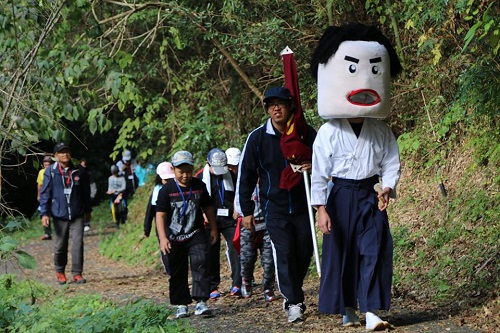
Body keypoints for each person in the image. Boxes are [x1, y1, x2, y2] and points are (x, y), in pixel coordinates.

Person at [309, 23, 403, 331]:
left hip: (369, 193)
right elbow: (320, 172)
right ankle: (347, 308)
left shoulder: (381, 130)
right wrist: (321, 208)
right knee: (342, 252)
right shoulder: (329, 131)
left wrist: (387, 186)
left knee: (375, 249)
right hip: (340, 196)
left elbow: (391, 160)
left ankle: (373, 311)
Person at [235, 86, 317, 323]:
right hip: (275, 207)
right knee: (285, 252)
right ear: (267, 109)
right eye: (271, 105)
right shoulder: (258, 138)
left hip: (303, 205)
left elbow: (325, 159)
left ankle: (293, 290)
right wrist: (246, 211)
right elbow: (246, 175)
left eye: (280, 103)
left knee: (303, 253)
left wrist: (314, 167)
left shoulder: (304, 133)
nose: (276, 108)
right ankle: (294, 302)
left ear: (291, 105)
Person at [155, 150, 218, 319]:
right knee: (177, 270)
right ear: (174, 170)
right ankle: (181, 304)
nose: (185, 175)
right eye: (181, 171)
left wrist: (213, 228)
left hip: (195, 232)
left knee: (201, 263)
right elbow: (160, 215)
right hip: (174, 237)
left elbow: (208, 208)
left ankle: (201, 302)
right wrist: (162, 238)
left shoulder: (198, 186)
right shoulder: (166, 190)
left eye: (188, 171)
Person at [39, 143, 92, 285]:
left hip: (77, 213)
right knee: (60, 245)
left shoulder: (79, 171)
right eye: (61, 152)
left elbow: (86, 193)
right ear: (56, 155)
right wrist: (44, 213)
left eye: (67, 151)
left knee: (78, 244)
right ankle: (60, 271)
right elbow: (45, 194)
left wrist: (88, 210)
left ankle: (77, 273)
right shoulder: (50, 172)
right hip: (59, 214)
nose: (65, 154)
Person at [199, 148, 241, 298]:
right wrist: (202, 213)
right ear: (207, 164)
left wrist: (237, 208)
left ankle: (237, 283)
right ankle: (212, 286)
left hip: (229, 218)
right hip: (210, 221)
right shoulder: (200, 178)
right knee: (211, 253)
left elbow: (238, 192)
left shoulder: (230, 175)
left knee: (236, 248)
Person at [144, 162, 175, 274]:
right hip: (162, 225)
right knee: (166, 250)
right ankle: (170, 272)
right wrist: (147, 228)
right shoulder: (157, 191)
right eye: (165, 180)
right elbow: (150, 211)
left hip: (177, 224)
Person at [37, 155, 53, 240]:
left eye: (48, 164)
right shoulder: (41, 172)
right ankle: (47, 233)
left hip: (54, 195)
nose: (47, 166)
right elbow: (39, 184)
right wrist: (39, 195)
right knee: (44, 213)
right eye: (45, 164)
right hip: (44, 195)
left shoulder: (54, 171)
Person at [79, 158, 96, 232]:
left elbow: (92, 184)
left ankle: (87, 223)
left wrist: (92, 194)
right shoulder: (77, 172)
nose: (84, 165)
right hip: (80, 195)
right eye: (82, 164)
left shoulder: (89, 173)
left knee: (88, 210)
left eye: (85, 164)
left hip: (88, 194)